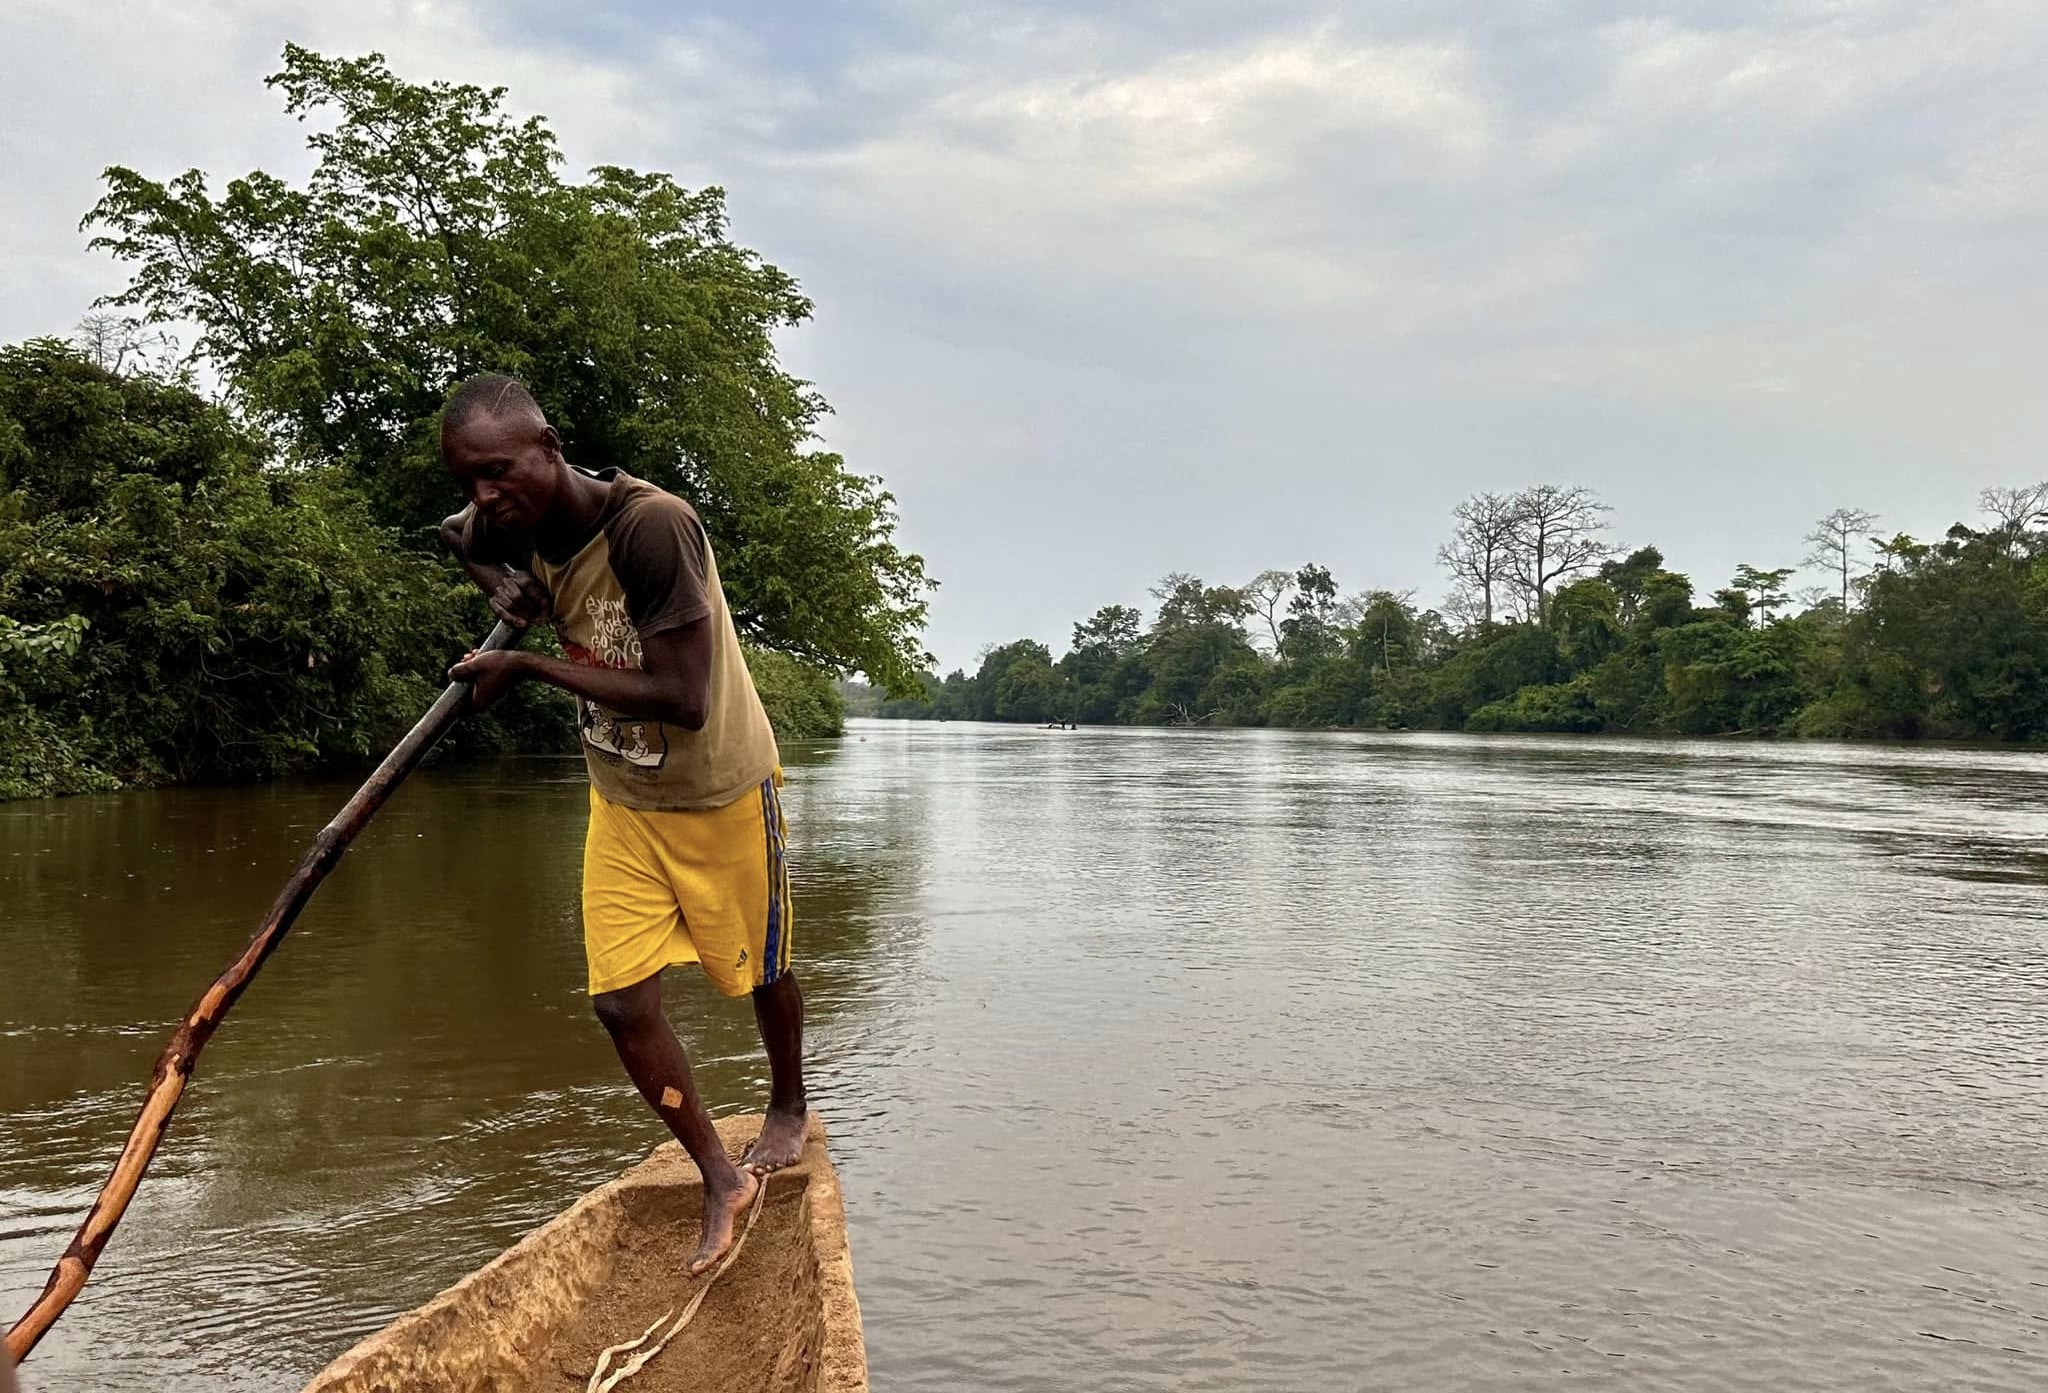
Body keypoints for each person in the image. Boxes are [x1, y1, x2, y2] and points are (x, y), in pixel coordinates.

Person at [436, 374, 806, 1274]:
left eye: (499, 471)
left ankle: (789, 1103)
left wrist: (524, 664)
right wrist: (497, 580)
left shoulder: (652, 525)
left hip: (717, 785)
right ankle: (719, 1173)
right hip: (623, 797)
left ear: (550, 446)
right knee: (619, 1001)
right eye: (470, 478)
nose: (486, 495)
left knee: (760, 966)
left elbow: (684, 698)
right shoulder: (502, 518)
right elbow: (453, 535)